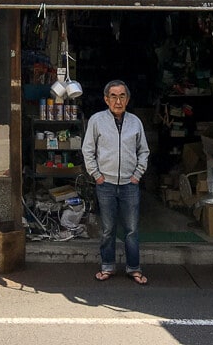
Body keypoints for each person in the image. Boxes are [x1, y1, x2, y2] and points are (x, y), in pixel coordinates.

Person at [82, 78, 150, 285]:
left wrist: (137, 175)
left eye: (122, 96)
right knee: (108, 229)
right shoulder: (96, 120)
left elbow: (144, 151)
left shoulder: (135, 122)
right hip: (106, 184)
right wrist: (97, 175)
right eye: (113, 96)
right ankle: (107, 266)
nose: (118, 101)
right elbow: (87, 150)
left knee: (131, 230)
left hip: (130, 184)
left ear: (127, 99)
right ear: (106, 99)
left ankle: (133, 268)